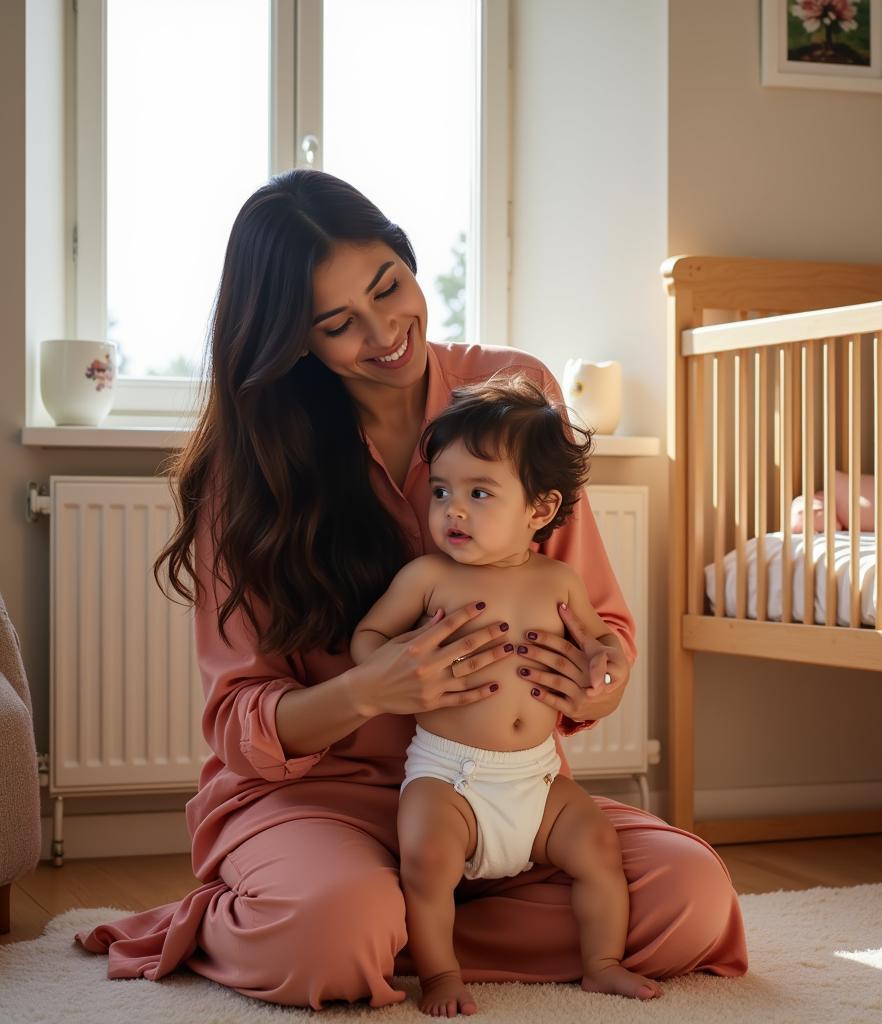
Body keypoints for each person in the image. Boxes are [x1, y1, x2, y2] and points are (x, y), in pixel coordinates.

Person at [74, 169, 748, 1011]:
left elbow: (598, 618)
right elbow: (241, 719)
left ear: (407, 256)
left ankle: (392, 929)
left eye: (389, 286)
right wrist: (369, 689)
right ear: (295, 342)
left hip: (509, 796)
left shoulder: (512, 395)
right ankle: (328, 919)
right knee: (332, 925)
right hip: (318, 802)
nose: (385, 331)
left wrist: (597, 680)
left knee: (692, 897)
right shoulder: (248, 470)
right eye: (337, 323)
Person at [350, 375, 664, 1014]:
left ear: (540, 510)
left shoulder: (560, 579)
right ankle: (440, 974)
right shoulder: (429, 577)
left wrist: (607, 659)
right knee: (427, 860)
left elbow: (602, 640)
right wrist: (389, 667)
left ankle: (602, 962)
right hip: (449, 777)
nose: (452, 510)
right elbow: (369, 635)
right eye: (441, 491)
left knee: (599, 848)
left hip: (539, 779)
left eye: (479, 493)